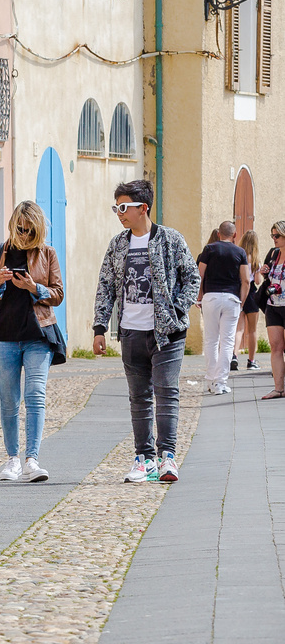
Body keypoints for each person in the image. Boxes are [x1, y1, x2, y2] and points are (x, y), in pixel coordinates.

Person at [93, 179, 201, 483]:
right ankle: (144, 459)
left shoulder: (170, 239)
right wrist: (100, 326)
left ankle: (168, 457)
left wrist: (176, 310)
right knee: (138, 397)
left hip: (167, 334)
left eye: (124, 207)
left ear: (144, 208)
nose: (119, 213)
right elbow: (105, 285)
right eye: (116, 207)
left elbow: (192, 278)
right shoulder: (117, 244)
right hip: (130, 333)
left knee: (167, 392)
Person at [0, 201, 64, 483]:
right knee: (9, 400)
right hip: (2, 338)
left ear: (37, 230)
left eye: (29, 231)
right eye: (20, 229)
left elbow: (58, 294)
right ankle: (12, 459)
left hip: (38, 336)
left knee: (36, 395)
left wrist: (34, 288)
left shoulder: (47, 254)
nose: (24, 235)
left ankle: (32, 460)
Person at [196, 221, 249, 395]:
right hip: (231, 298)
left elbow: (200, 274)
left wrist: (199, 296)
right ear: (234, 235)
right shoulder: (240, 252)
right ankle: (221, 382)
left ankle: (211, 380)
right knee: (227, 342)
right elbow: (246, 280)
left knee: (211, 340)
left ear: (218, 233)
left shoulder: (209, 249)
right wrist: (241, 302)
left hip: (211, 297)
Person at [261, 222, 285, 401]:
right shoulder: (273, 254)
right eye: (272, 236)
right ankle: (278, 389)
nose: (274, 239)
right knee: (276, 347)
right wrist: (265, 273)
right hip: (273, 305)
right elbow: (269, 278)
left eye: (277, 236)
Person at [238, 229, 264, 371]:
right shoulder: (255, 261)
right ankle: (251, 361)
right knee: (252, 330)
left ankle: (234, 357)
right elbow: (258, 281)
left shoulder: (239, 257)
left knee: (238, 328)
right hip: (252, 293)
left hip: (240, 292)